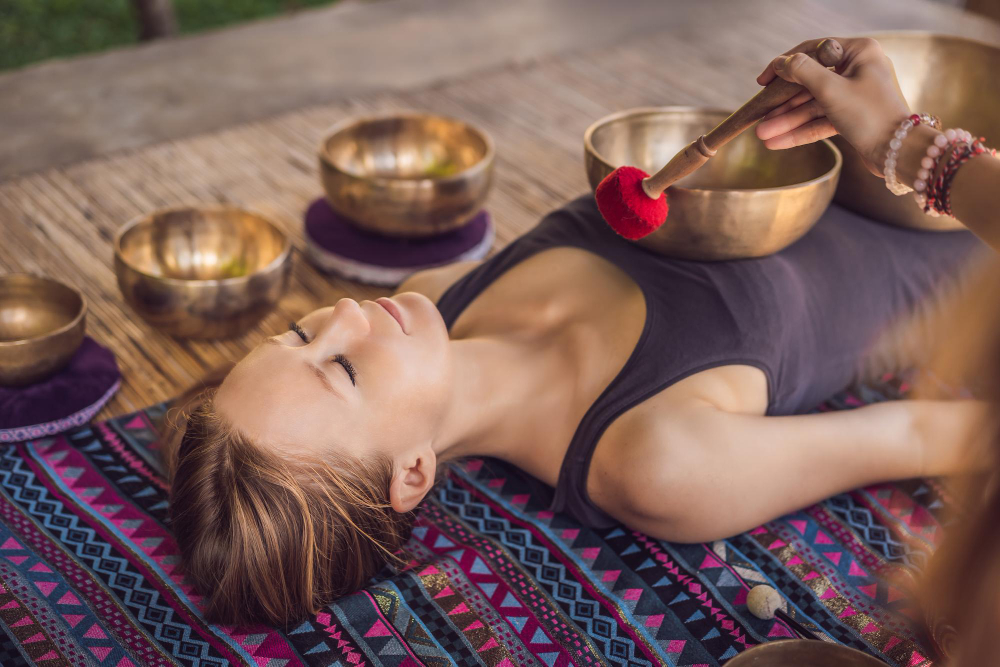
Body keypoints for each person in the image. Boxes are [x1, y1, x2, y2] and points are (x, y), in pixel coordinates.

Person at [165, 37, 996, 627]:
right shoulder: (652, 463)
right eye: (342, 370)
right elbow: (934, 431)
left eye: (301, 330)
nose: (345, 314)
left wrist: (879, 134)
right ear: (413, 471)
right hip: (971, 237)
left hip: (879, 156)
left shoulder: (438, 290)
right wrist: (917, 153)